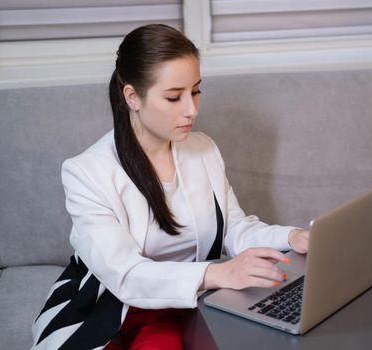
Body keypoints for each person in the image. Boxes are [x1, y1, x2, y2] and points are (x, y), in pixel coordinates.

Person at [31, 23, 309, 350]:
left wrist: (292, 237)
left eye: (196, 91)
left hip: (185, 303)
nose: (191, 110)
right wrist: (217, 274)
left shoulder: (203, 149)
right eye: (174, 97)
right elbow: (126, 275)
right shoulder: (86, 172)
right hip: (110, 307)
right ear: (132, 96)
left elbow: (235, 229)